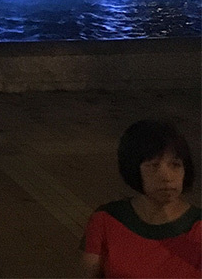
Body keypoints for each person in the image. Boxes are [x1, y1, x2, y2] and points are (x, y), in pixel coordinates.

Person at [81, 119, 201, 278]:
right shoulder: (107, 219)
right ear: (134, 169)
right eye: (154, 166)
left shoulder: (198, 227)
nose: (167, 177)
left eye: (175, 165)